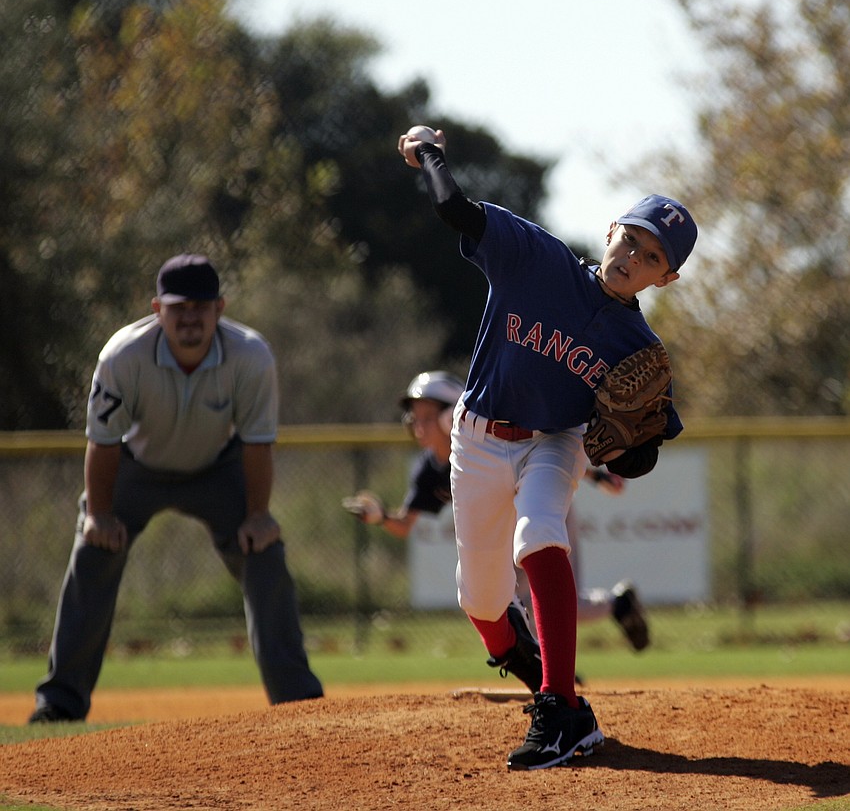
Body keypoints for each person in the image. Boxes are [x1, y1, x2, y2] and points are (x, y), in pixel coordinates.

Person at [397, 127, 697, 770]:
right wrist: (429, 152)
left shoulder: (639, 350)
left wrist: (626, 448)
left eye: (652, 256)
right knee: (480, 602)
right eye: (632, 238)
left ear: (666, 277)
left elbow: (639, 458)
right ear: (612, 228)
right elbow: (456, 210)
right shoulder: (537, 258)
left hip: (555, 443)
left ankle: (561, 709)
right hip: (476, 437)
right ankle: (554, 693)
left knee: (538, 534)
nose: (633, 256)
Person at [29, 254, 323, 723]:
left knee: (264, 553)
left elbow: (256, 443)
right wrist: (99, 515)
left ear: (220, 308)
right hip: (134, 468)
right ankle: (59, 704)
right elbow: (103, 443)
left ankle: (298, 703)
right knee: (93, 553)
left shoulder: (251, 356)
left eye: (200, 307)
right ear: (157, 309)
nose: (190, 317)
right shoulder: (122, 355)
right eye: (178, 307)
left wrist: (258, 515)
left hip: (218, 469)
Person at [344, 370, 649, 654]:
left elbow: (538, 455)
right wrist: (380, 516)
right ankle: (609, 612)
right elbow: (404, 524)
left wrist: (596, 476)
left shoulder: (487, 439)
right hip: (505, 527)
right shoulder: (429, 468)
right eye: (414, 417)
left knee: (556, 601)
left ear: (451, 416)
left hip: (542, 510)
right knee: (506, 601)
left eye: (427, 417)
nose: (418, 425)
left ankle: (600, 623)